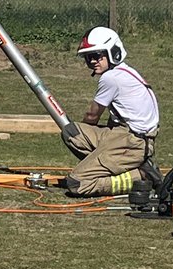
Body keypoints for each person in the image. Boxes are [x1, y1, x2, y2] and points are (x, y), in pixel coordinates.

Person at [62, 26, 161, 197]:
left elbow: (92, 116)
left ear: (113, 52)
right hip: (128, 135)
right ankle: (110, 165)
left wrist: (97, 149)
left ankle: (139, 176)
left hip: (132, 143)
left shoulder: (111, 78)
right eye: (88, 57)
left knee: (76, 184)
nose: (93, 61)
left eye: (97, 56)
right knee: (72, 132)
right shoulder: (124, 72)